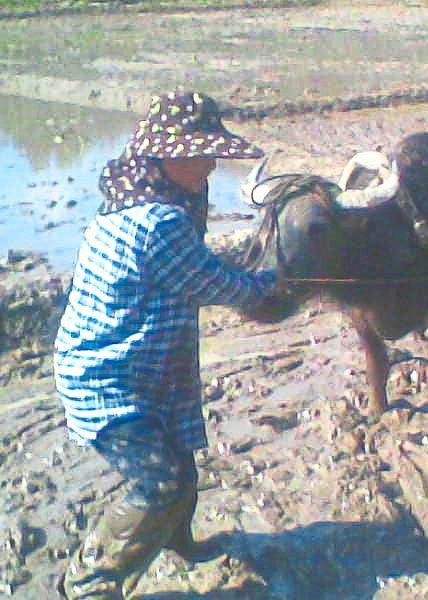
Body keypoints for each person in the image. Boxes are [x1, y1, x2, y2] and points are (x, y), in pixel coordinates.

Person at [54, 91, 282, 599]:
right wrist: (276, 284)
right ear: (164, 155)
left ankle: (176, 542)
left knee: (181, 462)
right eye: (200, 153)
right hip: (107, 377)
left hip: (143, 366)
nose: (211, 164)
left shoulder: (138, 193)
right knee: (162, 482)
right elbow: (215, 284)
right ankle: (90, 580)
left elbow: (197, 270)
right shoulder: (159, 222)